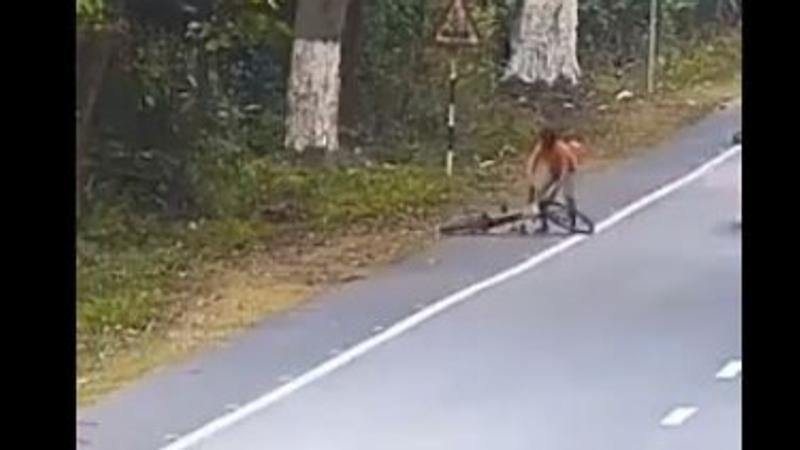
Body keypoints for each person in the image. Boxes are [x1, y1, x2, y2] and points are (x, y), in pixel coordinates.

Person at [524, 128, 585, 233]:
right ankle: (544, 224)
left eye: (546, 141)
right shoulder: (540, 147)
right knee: (541, 193)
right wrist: (531, 181)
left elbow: (564, 170)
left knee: (568, 195)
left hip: (568, 171)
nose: (544, 144)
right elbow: (532, 162)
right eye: (543, 141)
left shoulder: (560, 149)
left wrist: (555, 190)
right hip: (553, 170)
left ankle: (572, 221)